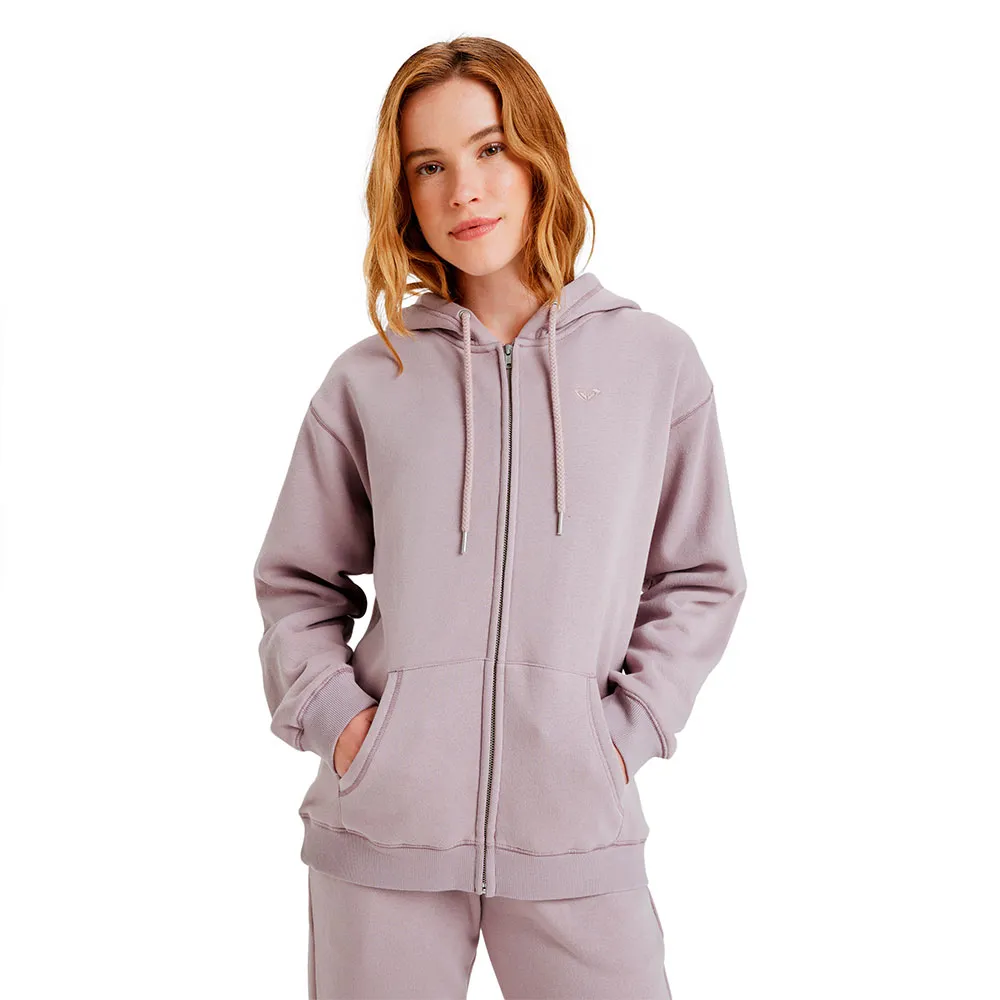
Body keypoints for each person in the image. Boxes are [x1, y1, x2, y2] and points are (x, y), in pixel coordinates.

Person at [253, 35, 747, 1000]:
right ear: (403, 192)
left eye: (489, 149)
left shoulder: (656, 364)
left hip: (576, 831)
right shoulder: (371, 377)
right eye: (428, 166)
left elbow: (700, 576)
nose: (464, 191)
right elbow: (296, 583)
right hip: (383, 837)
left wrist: (625, 734)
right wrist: (345, 725)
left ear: (538, 156)